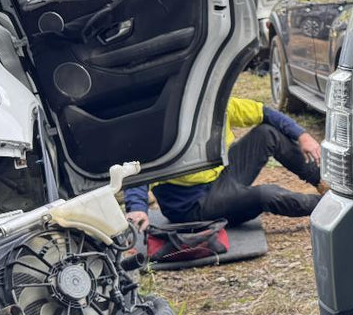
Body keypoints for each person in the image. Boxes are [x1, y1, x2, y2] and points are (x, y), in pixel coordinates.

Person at [125, 98, 324, 230]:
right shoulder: (163, 126)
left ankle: (324, 183)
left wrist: (302, 135)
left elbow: (264, 112)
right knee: (266, 194)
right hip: (192, 205)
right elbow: (139, 170)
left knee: (267, 133)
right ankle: (327, 207)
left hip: (222, 177)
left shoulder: (217, 104)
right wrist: (137, 207)